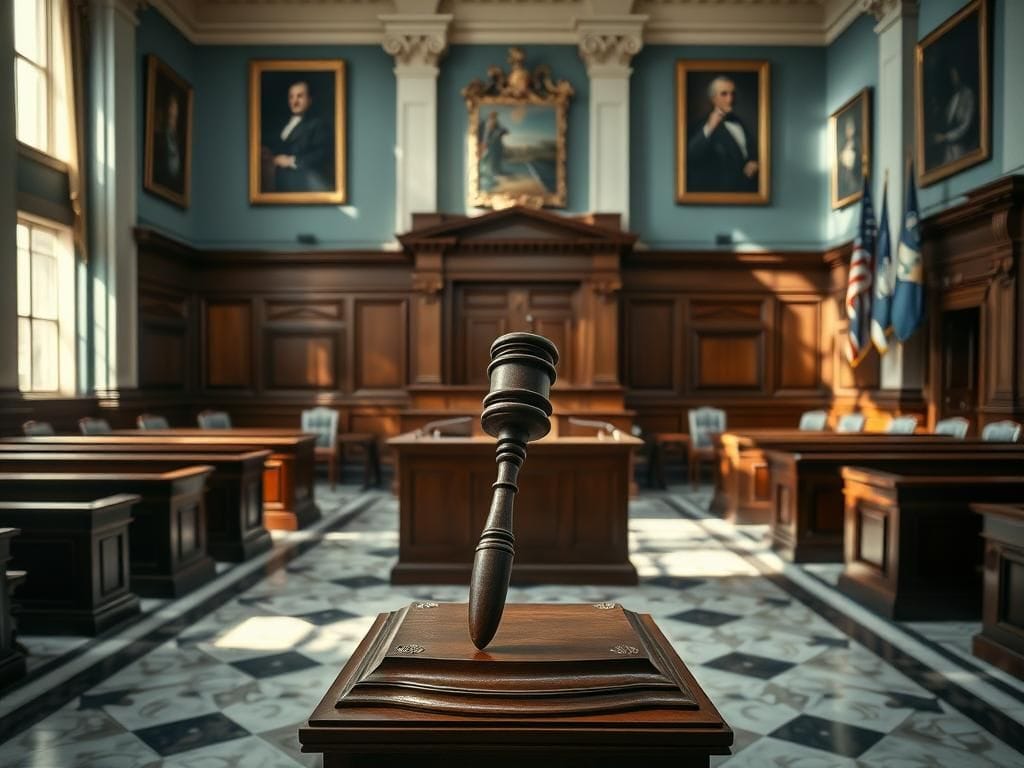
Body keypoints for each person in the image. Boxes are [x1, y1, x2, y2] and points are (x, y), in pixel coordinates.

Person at [687, 75, 759, 194]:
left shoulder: (739, 122)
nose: (730, 99)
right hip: (720, 192)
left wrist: (754, 161)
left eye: (732, 94)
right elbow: (691, 155)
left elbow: (752, 150)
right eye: (724, 94)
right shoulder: (703, 125)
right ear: (713, 98)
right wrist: (710, 127)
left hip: (747, 191)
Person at [264, 80, 332, 193]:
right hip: (277, 183)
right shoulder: (282, 123)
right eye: (291, 97)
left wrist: (291, 161)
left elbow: (322, 154)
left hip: (303, 184)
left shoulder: (317, 125)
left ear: (309, 100)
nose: (294, 101)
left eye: (300, 96)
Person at [931, 64, 976, 164]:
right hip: (948, 152)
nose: (953, 78)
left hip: (961, 149)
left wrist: (945, 137)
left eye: (954, 75)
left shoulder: (968, 94)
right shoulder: (953, 98)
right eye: (951, 75)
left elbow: (965, 125)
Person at [152, 91, 184, 192]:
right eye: (170, 115)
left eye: (174, 116)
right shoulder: (157, 137)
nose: (172, 117)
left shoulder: (179, 142)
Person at [478, 110, 508, 191]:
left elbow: (503, 130)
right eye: (493, 116)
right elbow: (485, 135)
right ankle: (489, 178)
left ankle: (494, 174)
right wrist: (484, 144)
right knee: (487, 162)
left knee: (493, 160)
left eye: (495, 117)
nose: (494, 119)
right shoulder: (485, 124)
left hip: (493, 146)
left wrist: (499, 132)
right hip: (487, 146)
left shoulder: (496, 125)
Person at [837, 114, 861, 200]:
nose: (849, 131)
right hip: (845, 175)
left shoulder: (857, 143)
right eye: (848, 128)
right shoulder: (843, 145)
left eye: (851, 128)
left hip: (854, 175)